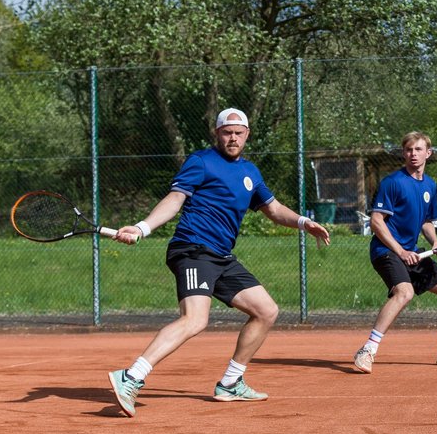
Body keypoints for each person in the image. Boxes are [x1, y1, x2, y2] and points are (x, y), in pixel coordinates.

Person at [106, 108, 331, 417]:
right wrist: (143, 228)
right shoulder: (200, 162)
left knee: (266, 311)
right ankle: (131, 377)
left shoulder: (250, 173)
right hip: (193, 250)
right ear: (217, 134)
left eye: (239, 132)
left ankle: (230, 382)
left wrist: (305, 223)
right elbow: (175, 199)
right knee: (195, 320)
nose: (233, 137)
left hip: (221, 257)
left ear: (247, 135)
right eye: (227, 132)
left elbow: (275, 209)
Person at [351, 131, 437, 374]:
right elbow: (377, 221)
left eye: (418, 149)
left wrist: (435, 243)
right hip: (385, 250)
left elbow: (426, 221)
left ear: (428, 153)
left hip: (412, 253)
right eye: (409, 150)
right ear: (404, 153)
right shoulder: (393, 182)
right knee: (404, 292)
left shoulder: (429, 185)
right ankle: (367, 350)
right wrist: (399, 251)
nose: (413, 154)